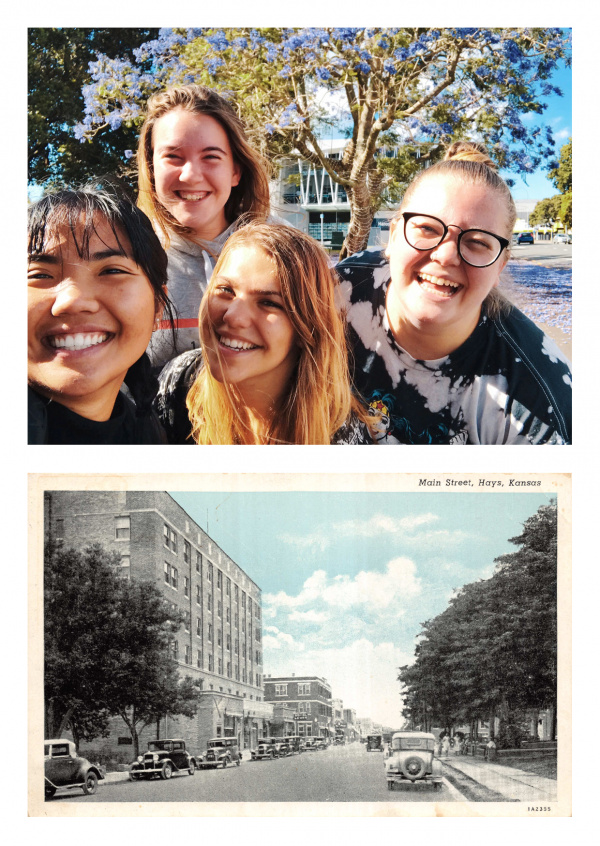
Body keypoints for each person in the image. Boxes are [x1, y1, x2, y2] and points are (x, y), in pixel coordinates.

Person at [336, 141, 572, 444]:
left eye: (477, 241)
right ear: (394, 237)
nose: (446, 256)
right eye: (427, 229)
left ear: (500, 265)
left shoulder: (538, 402)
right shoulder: (339, 290)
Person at [155, 222, 371, 444]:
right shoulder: (177, 382)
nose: (233, 316)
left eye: (269, 302)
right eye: (225, 290)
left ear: (307, 327)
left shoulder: (340, 439)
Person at [137, 84, 271, 368]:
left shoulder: (283, 254)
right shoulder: (126, 258)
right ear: (151, 168)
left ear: (235, 171)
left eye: (211, 157)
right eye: (173, 157)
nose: (191, 175)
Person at [28, 186, 174, 444]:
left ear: (158, 306)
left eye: (111, 271)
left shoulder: (149, 433)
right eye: (40, 275)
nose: (72, 301)